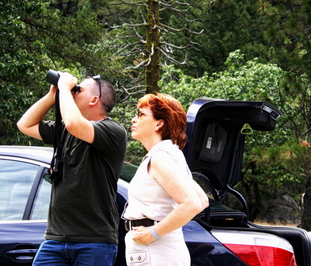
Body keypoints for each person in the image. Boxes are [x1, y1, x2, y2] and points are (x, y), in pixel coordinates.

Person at [17, 72, 127, 266]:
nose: (74, 93)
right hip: (56, 238)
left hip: (94, 241)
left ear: (94, 100)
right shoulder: (65, 131)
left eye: (79, 90)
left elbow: (75, 124)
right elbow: (25, 124)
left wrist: (66, 89)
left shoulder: (113, 131)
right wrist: (52, 95)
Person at [122, 93, 209, 266]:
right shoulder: (168, 153)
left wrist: (153, 232)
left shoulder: (161, 157)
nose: (134, 119)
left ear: (159, 123)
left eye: (141, 115)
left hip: (155, 251)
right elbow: (202, 199)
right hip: (161, 250)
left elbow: (193, 203)